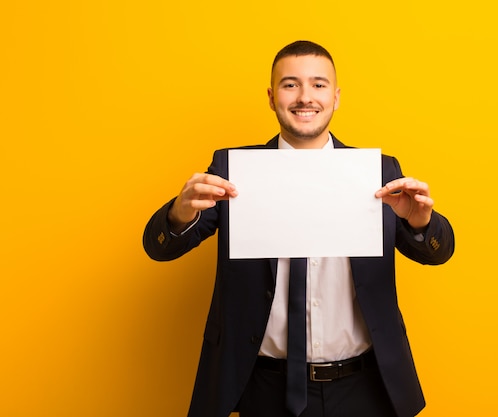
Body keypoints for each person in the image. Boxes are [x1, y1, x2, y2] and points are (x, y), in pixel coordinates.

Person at [143, 40, 455, 417]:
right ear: (272, 97)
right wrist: (179, 213)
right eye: (291, 84)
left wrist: (420, 221)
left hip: (365, 386)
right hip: (263, 386)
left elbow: (437, 251)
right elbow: (160, 246)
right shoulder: (233, 170)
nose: (305, 97)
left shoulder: (377, 171)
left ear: (336, 97)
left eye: (319, 85)